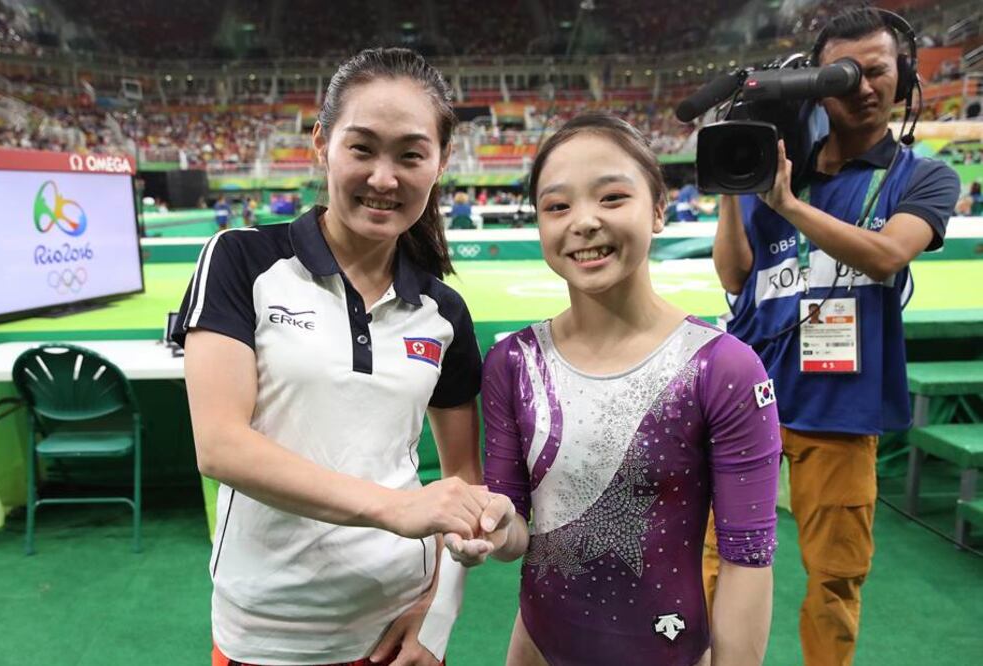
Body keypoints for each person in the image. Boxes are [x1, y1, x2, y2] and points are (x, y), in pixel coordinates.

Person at [174, 48, 488, 666]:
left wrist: (438, 615)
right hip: (268, 633)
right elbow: (220, 445)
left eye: (411, 154)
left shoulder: (443, 310)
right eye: (362, 147)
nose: (383, 178)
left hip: (398, 627)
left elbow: (463, 481)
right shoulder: (241, 260)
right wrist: (397, 508)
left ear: (441, 162)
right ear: (322, 143)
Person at [451, 114, 781, 665]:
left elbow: (747, 556)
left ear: (657, 209)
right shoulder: (513, 362)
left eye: (611, 197)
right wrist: (498, 525)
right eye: (557, 206)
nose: (583, 222)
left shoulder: (723, 368)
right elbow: (515, 535)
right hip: (536, 649)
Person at [708, 8, 960, 665]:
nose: (862, 87)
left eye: (876, 71)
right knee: (713, 564)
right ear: (818, 85)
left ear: (903, 77)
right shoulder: (778, 160)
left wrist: (790, 206)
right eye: (843, 75)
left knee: (835, 578)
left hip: (840, 411)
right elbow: (736, 276)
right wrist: (733, 187)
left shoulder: (923, 176)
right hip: (748, 401)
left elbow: (885, 257)